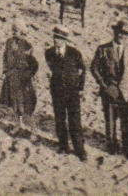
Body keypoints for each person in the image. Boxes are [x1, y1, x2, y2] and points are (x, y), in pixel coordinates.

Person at [92, 21, 128, 160]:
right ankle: (112, 144)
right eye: (120, 33)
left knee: (127, 119)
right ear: (115, 32)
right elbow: (94, 68)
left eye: (125, 34)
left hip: (126, 90)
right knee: (110, 118)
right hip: (110, 90)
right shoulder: (103, 49)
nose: (122, 36)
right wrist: (104, 86)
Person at [46, 26, 88, 158]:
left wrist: (80, 88)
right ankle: (63, 145)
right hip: (57, 90)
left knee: (75, 120)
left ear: (65, 40)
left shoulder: (74, 53)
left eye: (59, 38)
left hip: (72, 91)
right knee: (60, 119)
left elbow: (82, 71)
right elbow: (49, 69)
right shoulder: (49, 53)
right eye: (55, 37)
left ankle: (79, 149)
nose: (56, 40)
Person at [0, 23, 39, 129]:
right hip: (12, 77)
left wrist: (30, 75)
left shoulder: (27, 46)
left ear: (22, 31)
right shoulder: (9, 42)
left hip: (23, 78)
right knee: (14, 102)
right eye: (13, 30)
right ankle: (18, 123)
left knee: (26, 104)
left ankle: (32, 128)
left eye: (16, 31)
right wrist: (5, 70)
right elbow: (5, 57)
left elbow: (33, 63)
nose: (14, 33)